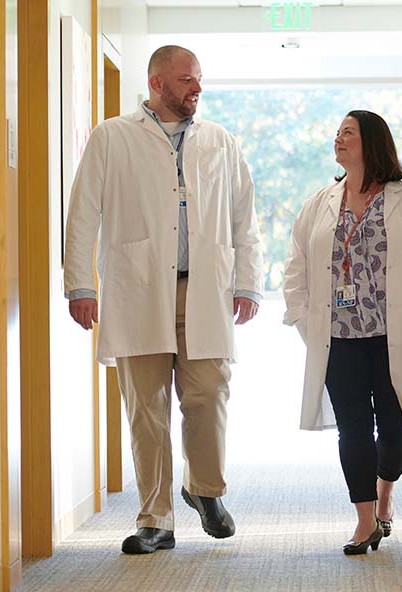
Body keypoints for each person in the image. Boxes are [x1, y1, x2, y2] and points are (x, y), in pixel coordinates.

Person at [64, 45, 264, 555]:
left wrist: (247, 281)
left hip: (204, 290)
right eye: (186, 79)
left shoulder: (220, 141)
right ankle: (156, 518)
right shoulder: (112, 136)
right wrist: (80, 285)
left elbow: (244, 218)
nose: (196, 88)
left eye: (198, 79)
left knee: (207, 395)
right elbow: (83, 211)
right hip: (137, 291)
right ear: (157, 83)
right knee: (145, 408)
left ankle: (204, 489)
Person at [282, 110, 402, 555]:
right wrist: (300, 316)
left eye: (348, 134)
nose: (338, 139)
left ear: (371, 143)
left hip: (394, 336)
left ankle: (385, 491)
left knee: (397, 429)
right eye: (337, 133)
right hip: (339, 338)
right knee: (353, 429)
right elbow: (295, 265)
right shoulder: (319, 203)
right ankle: (364, 519)